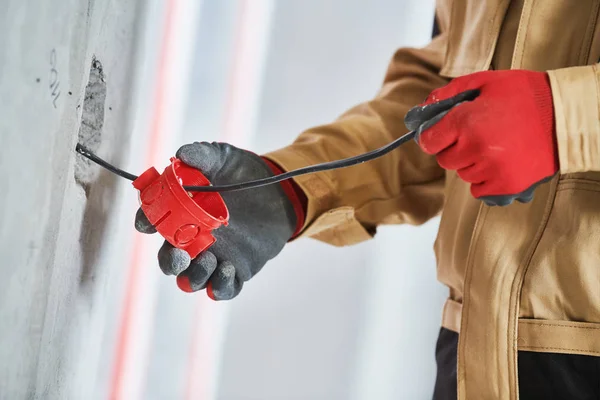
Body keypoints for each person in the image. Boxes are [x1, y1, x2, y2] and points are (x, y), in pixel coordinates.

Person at [135, 1, 600, 398]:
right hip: (473, 357)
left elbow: (527, 117)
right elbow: (440, 102)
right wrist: (293, 190)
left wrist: (565, 119)